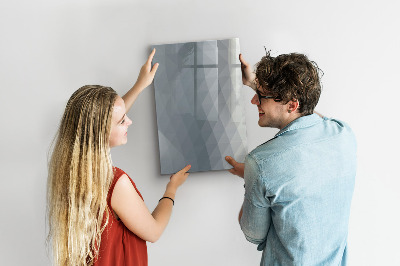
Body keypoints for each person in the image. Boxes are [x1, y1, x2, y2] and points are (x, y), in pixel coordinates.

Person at [47, 49, 191, 266]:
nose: (130, 122)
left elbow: (104, 119)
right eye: (122, 121)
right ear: (101, 131)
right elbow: (153, 231)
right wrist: (172, 188)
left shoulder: (69, 171)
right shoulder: (115, 183)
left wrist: (140, 85)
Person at [225, 51, 357, 265]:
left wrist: (252, 177)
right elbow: (310, 114)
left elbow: (253, 234)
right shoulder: (343, 134)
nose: (253, 100)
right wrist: (254, 84)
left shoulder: (260, 163)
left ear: (292, 105)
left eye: (260, 96)